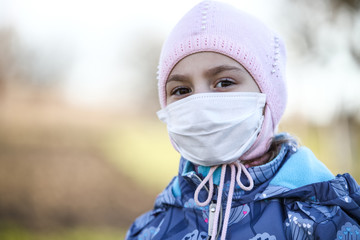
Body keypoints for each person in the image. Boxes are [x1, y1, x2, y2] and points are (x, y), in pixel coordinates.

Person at [126, 1, 360, 239]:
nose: (202, 105)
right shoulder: (152, 228)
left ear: (268, 97)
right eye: (182, 90)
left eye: (224, 83)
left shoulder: (323, 220)